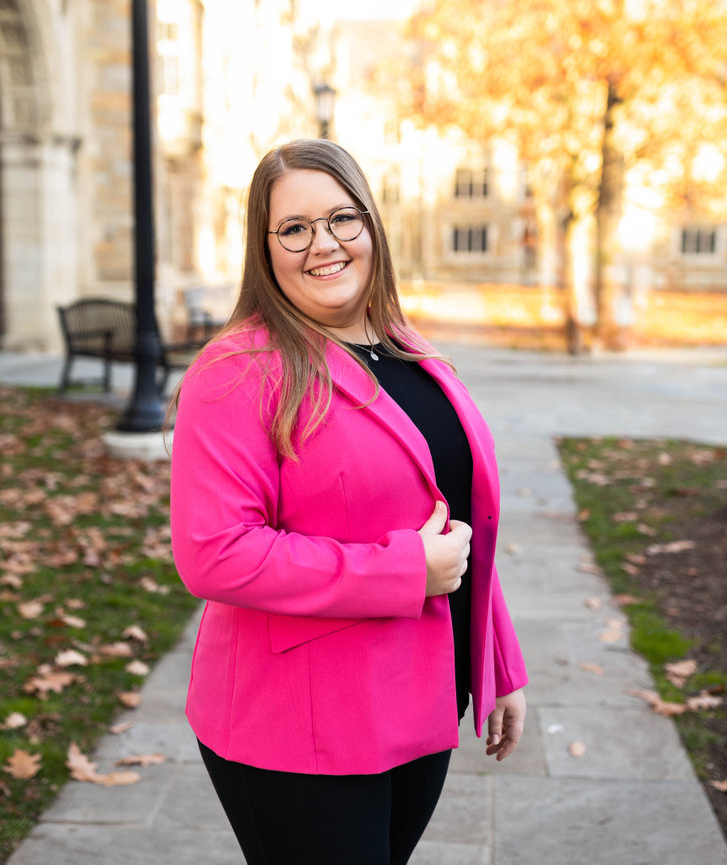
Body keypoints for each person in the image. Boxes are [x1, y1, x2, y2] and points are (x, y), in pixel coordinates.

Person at [169, 139, 528, 865]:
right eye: (294, 228)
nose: (322, 243)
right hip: (301, 727)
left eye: (341, 218)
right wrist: (403, 571)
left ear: (371, 225)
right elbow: (215, 554)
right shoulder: (239, 369)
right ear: (263, 248)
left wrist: (498, 664)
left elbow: (458, 520)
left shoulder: (405, 349)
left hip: (421, 702)